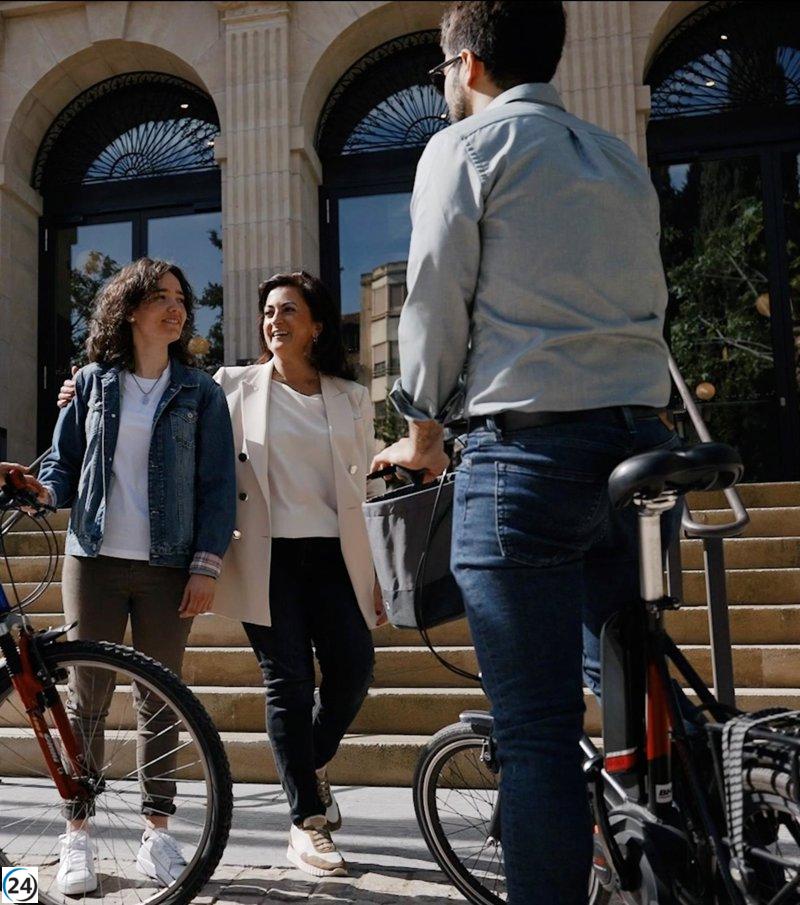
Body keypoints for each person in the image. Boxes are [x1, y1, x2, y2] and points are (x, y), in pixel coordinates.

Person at [371, 3, 678, 903]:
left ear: (465, 63)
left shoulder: (463, 151)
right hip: (638, 444)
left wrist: (423, 428)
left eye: (441, 71)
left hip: (528, 456)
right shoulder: (617, 155)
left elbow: (430, 302)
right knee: (641, 696)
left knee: (539, 733)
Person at [39, 257, 236, 895]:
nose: (177, 308)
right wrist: (35, 491)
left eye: (182, 297)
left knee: (161, 703)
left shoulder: (201, 393)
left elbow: (218, 488)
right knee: (86, 701)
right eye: (161, 297)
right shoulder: (91, 385)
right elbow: (61, 466)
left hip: (167, 567)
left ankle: (158, 835)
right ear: (129, 310)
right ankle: (77, 837)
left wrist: (205, 566)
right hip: (91, 560)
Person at [211, 271, 386, 878]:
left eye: (289, 310)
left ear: (315, 325)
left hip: (337, 558)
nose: (274, 320)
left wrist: (379, 573)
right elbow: (175, 415)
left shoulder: (350, 397)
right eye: (267, 311)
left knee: (355, 670)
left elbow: (365, 490)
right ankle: (306, 823)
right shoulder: (232, 387)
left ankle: (309, 766)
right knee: (286, 683)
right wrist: (88, 388)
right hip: (268, 557)